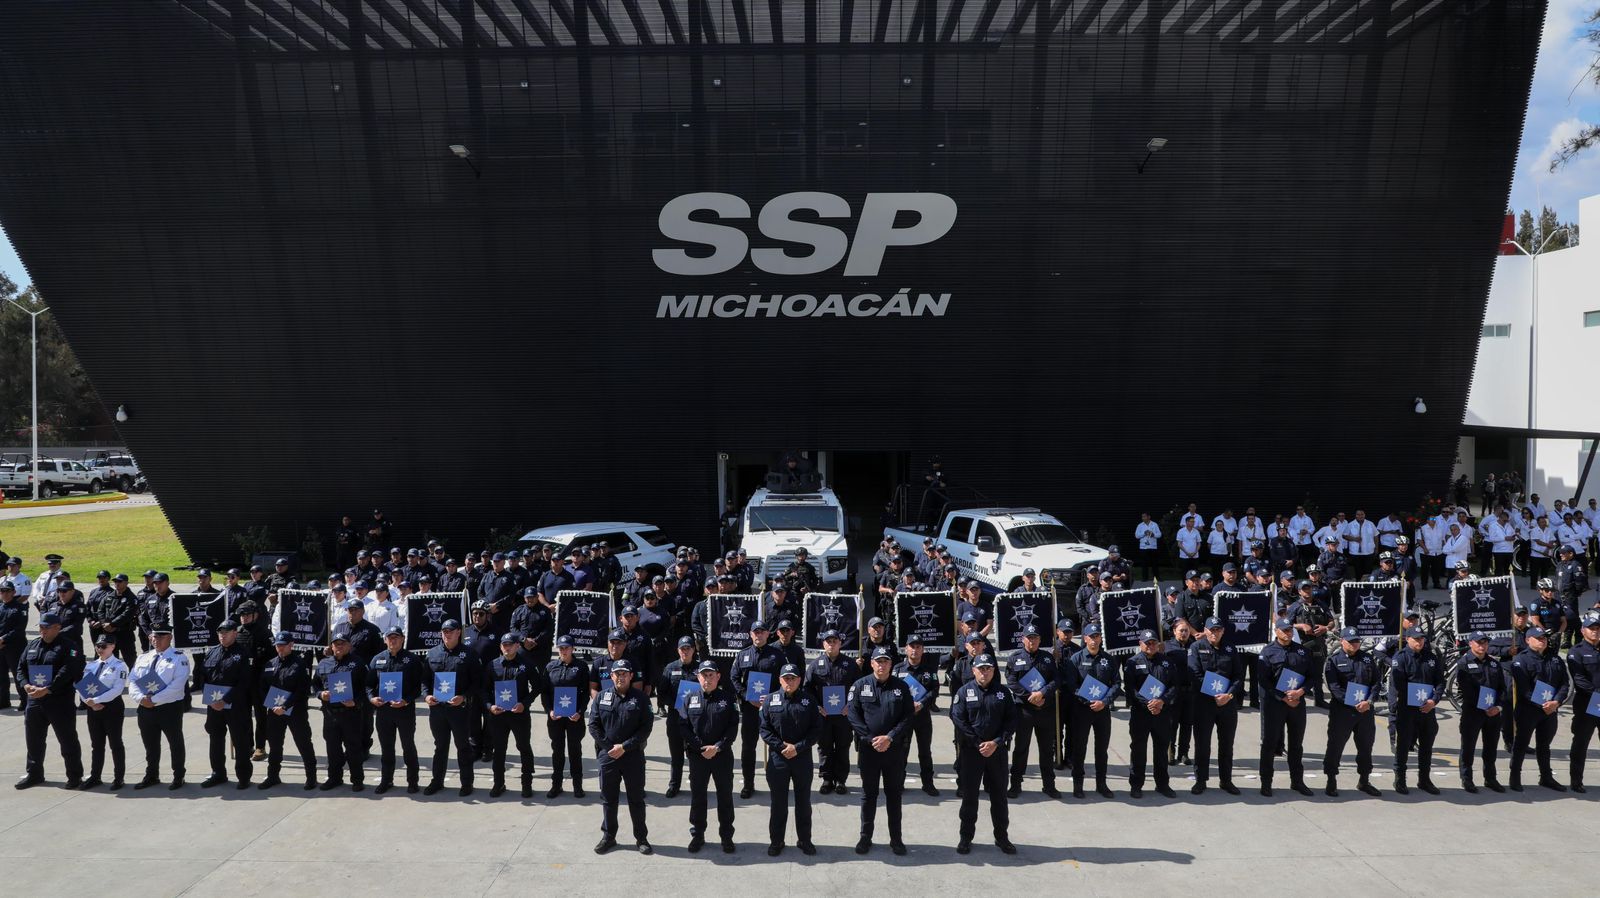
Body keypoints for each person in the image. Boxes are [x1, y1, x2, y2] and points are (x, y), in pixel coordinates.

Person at [846, 646, 913, 855]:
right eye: (878, 661)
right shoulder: (860, 685)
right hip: (869, 750)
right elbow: (853, 715)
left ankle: (896, 839)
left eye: (885, 661)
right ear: (872, 663)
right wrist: (870, 738)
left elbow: (908, 716)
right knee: (869, 795)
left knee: (894, 795)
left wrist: (890, 737)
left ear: (891, 664)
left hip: (894, 750)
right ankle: (865, 837)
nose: (882, 665)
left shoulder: (901, 687)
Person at [950, 652, 1016, 855]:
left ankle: (1002, 837)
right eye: (981, 669)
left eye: (988, 669)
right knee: (970, 797)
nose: (984, 672)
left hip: (997, 752)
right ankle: (965, 837)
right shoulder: (963, 692)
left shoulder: (1003, 693)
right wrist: (979, 743)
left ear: (993, 671)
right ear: (973, 670)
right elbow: (958, 719)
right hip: (972, 752)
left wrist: (996, 742)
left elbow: (1011, 720)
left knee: (999, 797)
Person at [589, 658, 653, 855]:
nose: (621, 677)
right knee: (609, 799)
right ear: (611, 676)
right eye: (617, 674)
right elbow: (593, 725)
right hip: (608, 756)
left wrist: (624, 747)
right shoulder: (602, 697)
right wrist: (611, 748)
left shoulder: (641, 699)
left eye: (625, 674)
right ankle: (609, 836)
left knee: (636, 799)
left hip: (633, 756)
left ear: (631, 676)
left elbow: (646, 728)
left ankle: (641, 838)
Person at [15, 611, 85, 789]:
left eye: (46, 627)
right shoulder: (33, 645)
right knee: (34, 741)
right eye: (40, 627)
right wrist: (25, 685)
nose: (42, 630)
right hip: (35, 701)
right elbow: (21, 668)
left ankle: (74, 776)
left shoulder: (69, 646)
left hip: (59, 701)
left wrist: (48, 688)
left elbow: (68, 670)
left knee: (67, 740)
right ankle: (34, 774)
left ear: (57, 628)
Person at [760, 662, 823, 856]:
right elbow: (764, 730)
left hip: (801, 758)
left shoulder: (809, 701)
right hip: (778, 759)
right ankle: (776, 841)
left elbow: (816, 730)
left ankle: (805, 840)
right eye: (786, 678)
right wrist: (782, 747)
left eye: (793, 678)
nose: (789, 681)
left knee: (803, 803)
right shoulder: (770, 700)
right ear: (780, 680)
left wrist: (797, 747)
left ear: (799, 680)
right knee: (778, 803)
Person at [679, 659, 739, 853]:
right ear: (698, 677)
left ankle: (727, 837)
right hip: (698, 757)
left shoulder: (728, 699)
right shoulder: (689, 698)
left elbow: (732, 728)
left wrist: (718, 747)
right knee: (698, 797)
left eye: (711, 675)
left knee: (725, 797)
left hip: (722, 756)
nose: (707, 679)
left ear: (718, 676)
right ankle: (697, 835)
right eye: (704, 675)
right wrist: (700, 748)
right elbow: (683, 727)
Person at [1322, 626, 1383, 796]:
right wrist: (1352, 703)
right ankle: (1331, 779)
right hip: (1343, 711)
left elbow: (1376, 682)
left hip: (1365, 711)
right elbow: (1334, 687)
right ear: (1342, 641)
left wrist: (1369, 701)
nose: (1354, 644)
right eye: (1350, 641)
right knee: (1335, 746)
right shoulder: (1334, 661)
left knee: (1366, 746)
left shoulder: (1367, 659)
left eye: (1357, 641)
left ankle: (1364, 780)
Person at [423, 618, 481, 796]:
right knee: (440, 746)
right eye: (444, 631)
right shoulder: (432, 654)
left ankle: (466, 783)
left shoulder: (469, 654)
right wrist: (427, 696)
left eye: (450, 631)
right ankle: (437, 781)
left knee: (463, 746)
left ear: (458, 632)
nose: (447, 634)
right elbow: (425, 681)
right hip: (437, 709)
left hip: (459, 709)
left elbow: (478, 683)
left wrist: (463, 697)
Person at [195, 619, 254, 789]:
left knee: (240, 741)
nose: (222, 635)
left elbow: (244, 681)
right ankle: (218, 773)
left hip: (235, 705)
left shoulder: (243, 653)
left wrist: (225, 700)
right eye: (220, 633)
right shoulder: (212, 652)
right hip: (214, 705)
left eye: (226, 632)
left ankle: (243, 776)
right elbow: (202, 676)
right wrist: (210, 699)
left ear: (235, 633)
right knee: (216, 739)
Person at [1257, 618, 1313, 796]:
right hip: (1275, 704)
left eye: (1290, 630)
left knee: (1296, 745)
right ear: (1276, 631)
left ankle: (1297, 781)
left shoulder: (1303, 651)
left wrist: (1301, 692)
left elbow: (1312, 676)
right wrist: (1282, 697)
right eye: (1284, 630)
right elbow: (1263, 680)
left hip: (1297, 703)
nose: (1288, 633)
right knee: (1269, 744)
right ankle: (1266, 782)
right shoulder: (1268, 652)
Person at [128, 626, 190, 789]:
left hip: (169, 708)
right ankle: (152, 775)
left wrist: (154, 700)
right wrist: (140, 699)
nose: (156, 640)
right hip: (145, 708)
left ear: (170, 638)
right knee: (150, 745)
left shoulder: (179, 658)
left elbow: (177, 685)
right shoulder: (143, 657)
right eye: (154, 637)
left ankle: (179, 776)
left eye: (161, 637)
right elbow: (133, 680)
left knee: (175, 743)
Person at [1508, 625, 1568, 791]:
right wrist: (1543, 705)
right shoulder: (1521, 660)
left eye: (1544, 638)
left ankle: (1546, 777)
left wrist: (1556, 702)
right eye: (1539, 638)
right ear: (1528, 640)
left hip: (1550, 710)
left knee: (1544, 745)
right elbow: (1524, 689)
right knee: (1521, 744)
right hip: (1528, 710)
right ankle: (1515, 777)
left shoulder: (1555, 659)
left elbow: (1564, 683)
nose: (1543, 641)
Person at [1062, 623, 1119, 798]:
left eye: (1097, 636)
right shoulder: (1076, 659)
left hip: (1102, 710)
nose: (1094, 640)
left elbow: (1116, 684)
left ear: (1101, 638)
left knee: (1102, 749)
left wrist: (1104, 702)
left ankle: (1101, 784)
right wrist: (1088, 701)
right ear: (1085, 638)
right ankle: (1078, 784)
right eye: (1091, 637)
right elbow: (1071, 685)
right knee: (1079, 748)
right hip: (1082, 710)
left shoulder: (1109, 659)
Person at [484, 632, 543, 798]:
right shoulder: (492, 665)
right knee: (499, 749)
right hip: (498, 715)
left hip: (519, 714)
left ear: (517, 645)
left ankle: (526, 784)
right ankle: (498, 783)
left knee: (524, 747)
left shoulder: (526, 664)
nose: (507, 648)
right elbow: (484, 690)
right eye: (504, 645)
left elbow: (538, 686)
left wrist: (525, 703)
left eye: (510, 644)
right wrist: (490, 706)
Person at [258, 632, 319, 790]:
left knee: (303, 743)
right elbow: (262, 687)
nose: (280, 648)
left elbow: (302, 690)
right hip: (274, 711)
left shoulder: (300, 664)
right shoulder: (270, 664)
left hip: (295, 711)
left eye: (283, 645)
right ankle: (273, 776)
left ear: (291, 645)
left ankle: (311, 777)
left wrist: (285, 706)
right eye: (278, 645)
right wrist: (271, 705)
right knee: (275, 744)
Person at [367, 626, 424, 794]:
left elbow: (419, 687)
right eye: (390, 637)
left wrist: (406, 700)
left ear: (403, 639)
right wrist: (372, 698)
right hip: (384, 712)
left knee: (408, 746)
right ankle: (386, 780)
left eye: (396, 637)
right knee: (387, 748)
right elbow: (369, 685)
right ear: (385, 640)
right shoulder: (377, 659)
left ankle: (412, 781)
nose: (393, 640)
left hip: (404, 711)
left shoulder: (412, 660)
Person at [1004, 624, 1058, 798]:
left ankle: (1049, 785)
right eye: (1029, 638)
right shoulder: (1015, 658)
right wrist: (1030, 696)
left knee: (1047, 750)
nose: (1032, 641)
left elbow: (1056, 680)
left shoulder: (1047, 658)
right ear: (1023, 639)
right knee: (1021, 748)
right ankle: (1016, 784)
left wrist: (1042, 693)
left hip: (1045, 709)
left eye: (1035, 638)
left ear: (1040, 640)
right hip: (1024, 711)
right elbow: (1011, 682)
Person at [1389, 625, 1444, 794]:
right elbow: (1397, 685)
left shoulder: (1431, 658)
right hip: (1407, 709)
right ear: (1407, 639)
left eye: (1422, 638)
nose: (1420, 642)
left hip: (1427, 709)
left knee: (1426, 746)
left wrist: (1434, 700)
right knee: (1404, 745)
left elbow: (1440, 681)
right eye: (1416, 639)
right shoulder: (1401, 657)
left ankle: (1424, 779)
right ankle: (1400, 778)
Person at [313, 630, 368, 792]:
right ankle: (334, 778)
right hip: (330, 714)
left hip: (350, 713)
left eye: (342, 644)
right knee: (332, 748)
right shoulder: (324, 664)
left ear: (349, 646)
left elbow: (367, 687)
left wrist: (355, 701)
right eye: (336, 644)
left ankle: (357, 780)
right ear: (332, 646)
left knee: (353, 748)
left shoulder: (358, 663)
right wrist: (321, 694)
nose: (339, 646)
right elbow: (315, 684)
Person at [1454, 631, 1507, 794]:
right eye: (1478, 643)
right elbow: (1466, 691)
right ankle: (1467, 779)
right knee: (1468, 748)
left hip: (1493, 713)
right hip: (1473, 712)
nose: (1482, 646)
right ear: (1470, 644)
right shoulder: (1464, 663)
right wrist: (1483, 706)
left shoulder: (1494, 664)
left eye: (1485, 643)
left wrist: (1498, 707)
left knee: (1491, 748)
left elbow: (1502, 689)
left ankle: (1490, 778)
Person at [806, 629, 857, 795]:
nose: (831, 644)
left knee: (843, 747)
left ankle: (841, 780)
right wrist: (816, 706)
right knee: (824, 747)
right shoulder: (815, 665)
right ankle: (827, 779)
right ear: (823, 644)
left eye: (834, 641)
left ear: (840, 643)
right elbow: (807, 688)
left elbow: (858, 687)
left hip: (843, 715)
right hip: (824, 715)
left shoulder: (850, 664)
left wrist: (850, 704)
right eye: (828, 641)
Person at [892, 633, 941, 796]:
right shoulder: (898, 669)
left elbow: (934, 690)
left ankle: (928, 783)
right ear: (906, 649)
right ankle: (898, 782)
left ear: (922, 650)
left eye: (918, 647)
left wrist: (922, 703)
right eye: (912, 647)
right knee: (902, 751)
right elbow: (892, 690)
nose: (915, 650)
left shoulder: (929, 669)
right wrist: (907, 704)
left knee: (925, 752)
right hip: (904, 717)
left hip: (922, 717)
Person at [79, 633, 129, 789]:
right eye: (97, 646)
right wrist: (89, 702)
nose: (99, 649)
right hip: (93, 709)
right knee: (97, 744)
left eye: (103, 646)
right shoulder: (91, 665)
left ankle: (119, 778)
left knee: (115, 743)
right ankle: (95, 776)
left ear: (112, 646)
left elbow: (117, 689)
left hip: (112, 708)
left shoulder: (120, 666)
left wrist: (97, 700)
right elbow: (83, 687)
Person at [544, 635, 590, 798]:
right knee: (557, 751)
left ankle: (578, 786)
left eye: (567, 648)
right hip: (555, 718)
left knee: (575, 751)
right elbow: (545, 692)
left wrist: (580, 711)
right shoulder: (550, 667)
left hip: (574, 717)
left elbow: (585, 693)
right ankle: (556, 785)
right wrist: (549, 710)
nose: (564, 651)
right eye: (561, 648)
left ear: (573, 649)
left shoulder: (581, 667)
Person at [1569, 612, 1600, 792]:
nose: (1595, 631)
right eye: (1591, 628)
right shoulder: (1577, 651)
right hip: (1587, 704)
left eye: (1597, 628)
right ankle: (1576, 781)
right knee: (1581, 743)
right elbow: (1579, 680)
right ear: (1583, 631)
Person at [1162, 620, 1196, 766]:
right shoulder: (1166, 646)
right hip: (1173, 692)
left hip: (1190, 691)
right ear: (1174, 631)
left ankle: (1184, 753)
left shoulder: (1194, 646)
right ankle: (1170, 753)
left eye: (1186, 630)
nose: (1184, 633)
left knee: (1187, 724)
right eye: (1181, 630)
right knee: (1172, 724)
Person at [0, 578, 28, 708]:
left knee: (18, 675)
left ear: (13, 592)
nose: (5, 593)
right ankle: (3, 701)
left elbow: (19, 629)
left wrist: (3, 638)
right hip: (1, 647)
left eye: (8, 591)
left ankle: (24, 701)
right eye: (2, 591)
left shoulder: (20, 608)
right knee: (1, 676)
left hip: (15, 647)